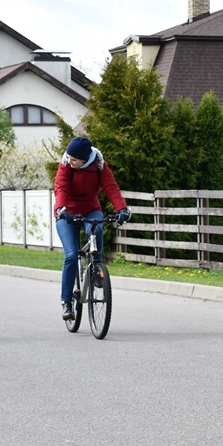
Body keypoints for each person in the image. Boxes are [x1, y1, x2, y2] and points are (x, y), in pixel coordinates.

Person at [54, 137, 131, 320]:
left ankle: (96, 266)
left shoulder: (99, 165)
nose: (68, 160)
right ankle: (66, 302)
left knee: (96, 228)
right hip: (67, 211)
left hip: (90, 209)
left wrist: (122, 209)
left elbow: (111, 187)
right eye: (69, 157)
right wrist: (60, 209)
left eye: (73, 159)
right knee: (72, 255)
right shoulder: (66, 166)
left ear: (84, 159)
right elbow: (61, 188)